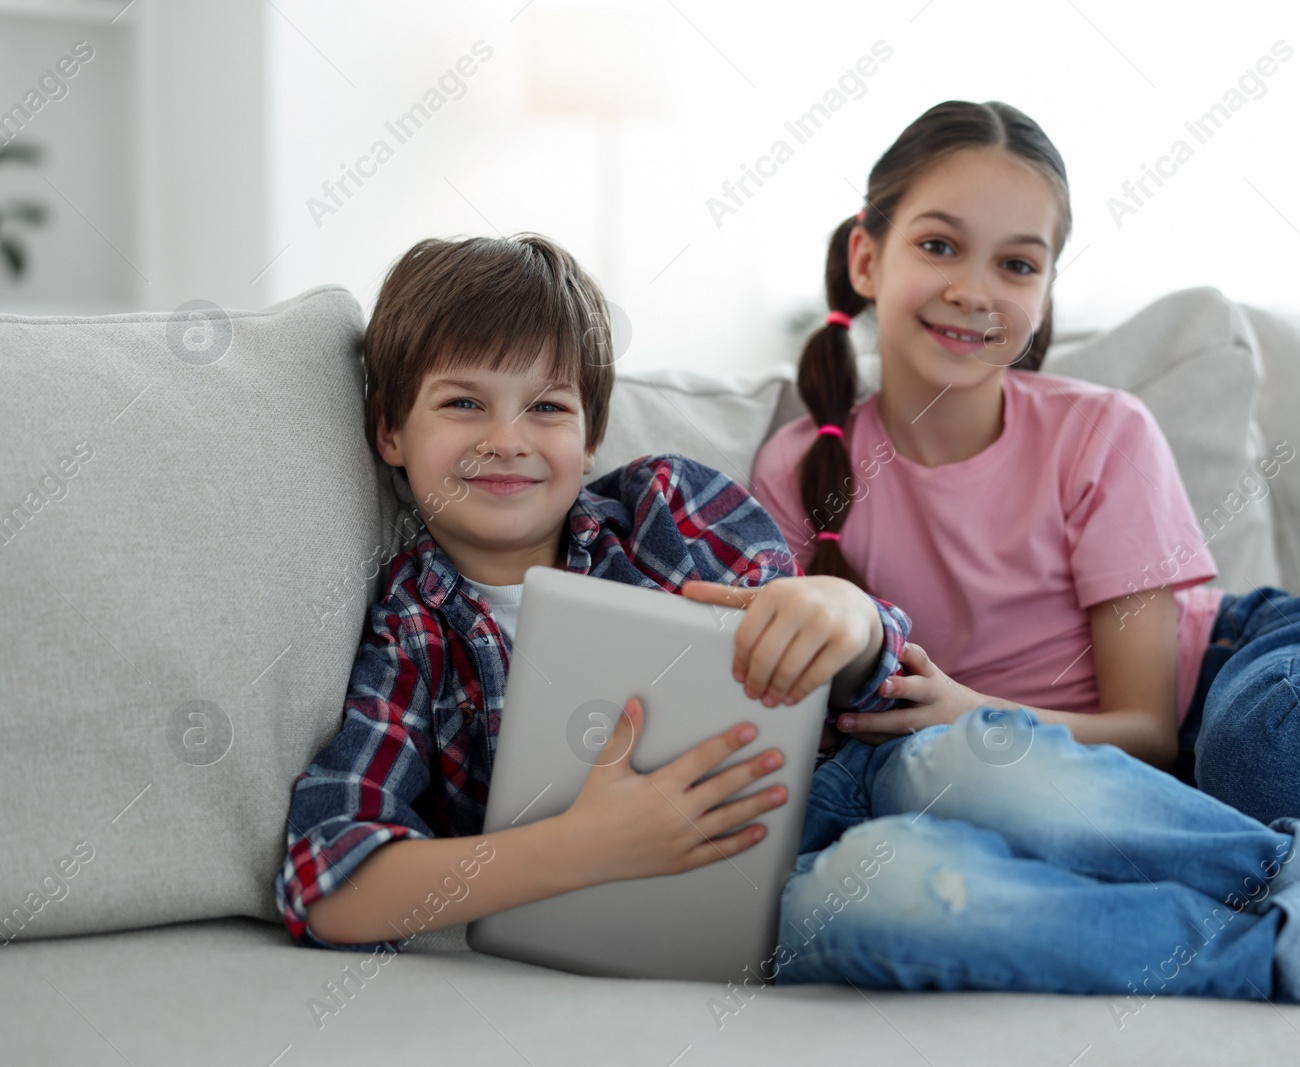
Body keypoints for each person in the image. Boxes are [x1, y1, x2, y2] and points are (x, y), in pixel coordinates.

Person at [747, 98, 1300, 1001]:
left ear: (1043, 297)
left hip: (1247, 681)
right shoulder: (799, 471)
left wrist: (966, 709)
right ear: (868, 257)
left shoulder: (1095, 433)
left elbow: (1150, 732)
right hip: (1147, 802)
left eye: (1018, 263)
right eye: (940, 246)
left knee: (1266, 752)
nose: (975, 289)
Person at [273, 232, 909, 951]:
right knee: (917, 902)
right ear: (389, 430)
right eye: (463, 402)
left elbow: (873, 690)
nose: (507, 439)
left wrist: (847, 615)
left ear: (592, 430)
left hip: (846, 795)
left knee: (986, 784)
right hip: (768, 905)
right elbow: (325, 881)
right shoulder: (413, 631)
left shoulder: (665, 512)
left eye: (546, 407)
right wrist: (581, 845)